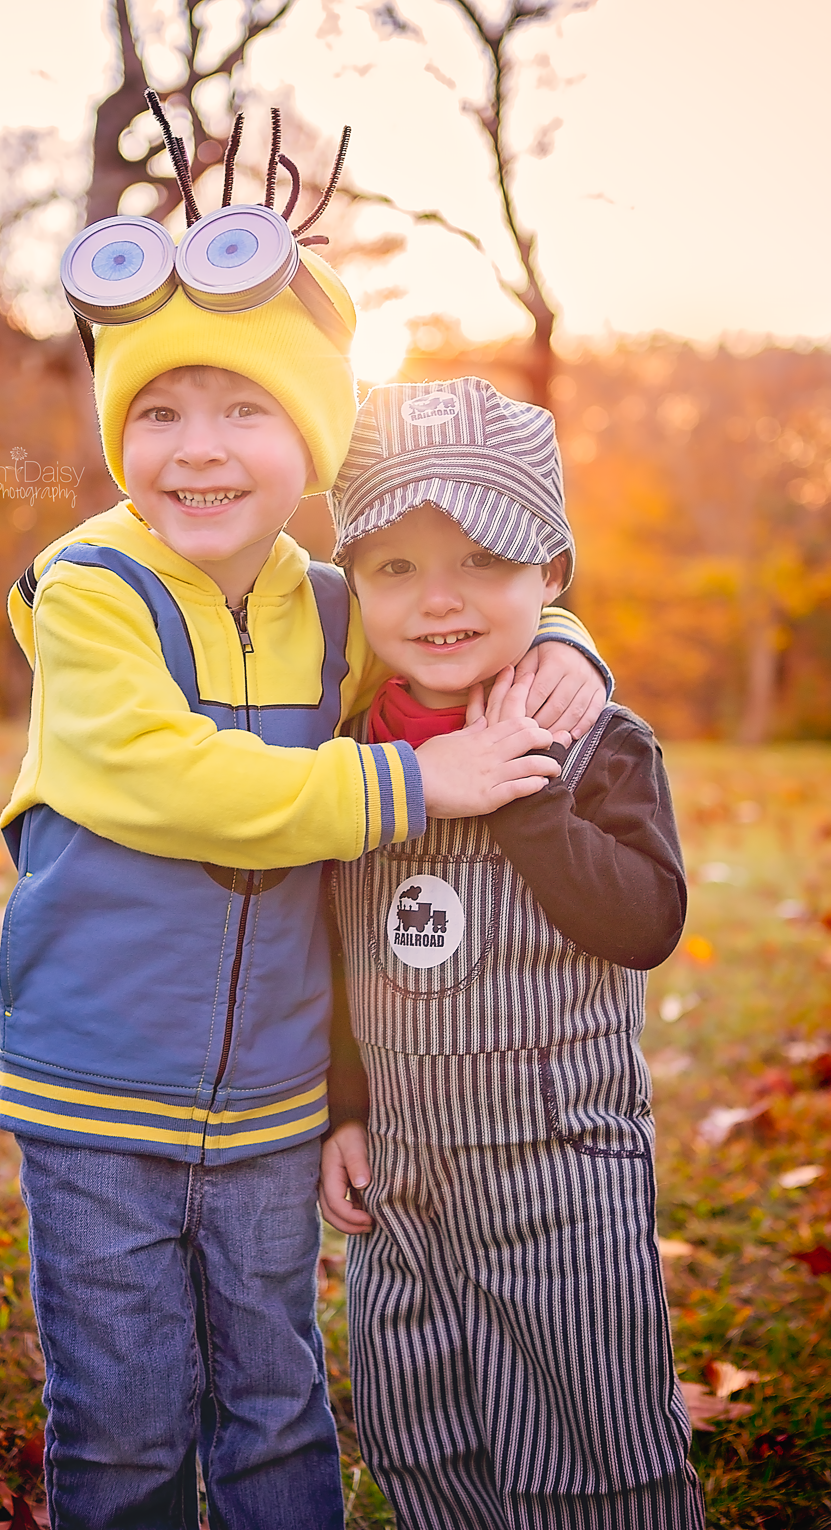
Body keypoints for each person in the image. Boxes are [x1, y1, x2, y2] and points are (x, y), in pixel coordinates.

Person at [0, 111, 610, 1530]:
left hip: (273, 1092)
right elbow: (174, 778)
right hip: (99, 1090)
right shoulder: (94, 591)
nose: (197, 451)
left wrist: (569, 636)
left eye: (245, 409)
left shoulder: (332, 608)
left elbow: (455, 615)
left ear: (312, 437)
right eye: (157, 412)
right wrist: (410, 784)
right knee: (128, 1414)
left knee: (275, 1400)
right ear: (116, 434)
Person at [320, 377, 705, 1530]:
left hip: (560, 1174)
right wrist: (345, 1106)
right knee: (420, 1426)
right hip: (405, 1178)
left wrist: (524, 800)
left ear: (551, 578)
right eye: (395, 568)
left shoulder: (598, 745)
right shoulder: (350, 754)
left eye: (482, 560)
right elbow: (343, 953)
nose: (439, 600)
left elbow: (647, 922)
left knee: (588, 1441)